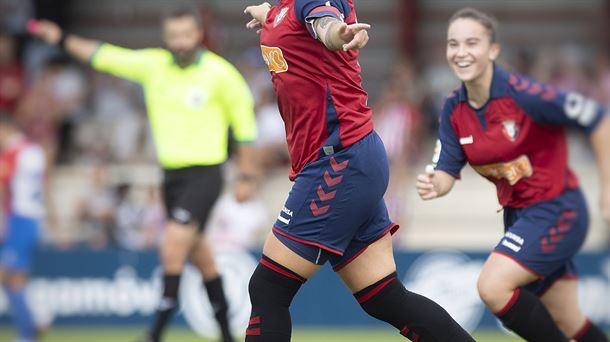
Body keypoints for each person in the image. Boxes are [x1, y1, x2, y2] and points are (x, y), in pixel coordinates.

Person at [243, 2, 474, 341]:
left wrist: (339, 34)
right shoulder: (284, 9)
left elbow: (326, 25)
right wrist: (270, 14)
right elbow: (298, 22)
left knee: (268, 288)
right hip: (351, 159)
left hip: (338, 162)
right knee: (384, 298)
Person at [29, 6, 259, 342]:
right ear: (166, 38)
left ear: (198, 35)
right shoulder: (153, 66)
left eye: (186, 35)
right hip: (171, 178)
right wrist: (61, 38)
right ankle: (226, 333)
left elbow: (245, 129)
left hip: (206, 174)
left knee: (171, 247)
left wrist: (247, 178)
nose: (180, 42)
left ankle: (154, 334)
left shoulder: (220, 74)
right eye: (174, 36)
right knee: (202, 257)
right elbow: (103, 56)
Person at [416, 7, 609, 342]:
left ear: (493, 50)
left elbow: (600, 121)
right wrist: (435, 182)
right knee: (569, 322)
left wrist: (608, 191)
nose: (461, 52)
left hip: (557, 209)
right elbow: (446, 170)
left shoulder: (525, 95)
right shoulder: (452, 109)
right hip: (519, 217)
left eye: (472, 43)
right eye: (453, 44)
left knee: (492, 286)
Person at [0, 114, 46, 342]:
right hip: (33, 218)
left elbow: (3, 184)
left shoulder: (13, 152)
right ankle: (33, 323)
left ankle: (29, 330)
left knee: (8, 275)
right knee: (14, 277)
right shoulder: (35, 151)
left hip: (19, 218)